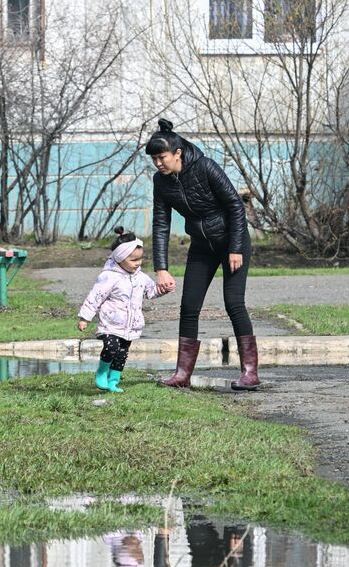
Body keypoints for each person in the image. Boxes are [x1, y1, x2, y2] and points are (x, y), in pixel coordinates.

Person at [145, 118, 260, 390]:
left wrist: (235, 248)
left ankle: (250, 373)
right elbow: (161, 223)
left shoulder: (206, 167)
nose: (158, 164)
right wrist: (161, 268)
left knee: (234, 303)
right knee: (189, 307)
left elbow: (235, 206)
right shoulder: (161, 182)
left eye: (162, 158)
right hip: (201, 246)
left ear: (178, 153)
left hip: (233, 241)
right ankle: (182, 375)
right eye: (154, 160)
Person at [76, 227, 170, 392]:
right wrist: (85, 318)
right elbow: (95, 297)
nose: (138, 263)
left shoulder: (141, 277)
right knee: (111, 347)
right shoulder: (109, 276)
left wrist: (163, 289)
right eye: (133, 260)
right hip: (110, 324)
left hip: (129, 326)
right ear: (119, 258)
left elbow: (150, 292)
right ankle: (101, 373)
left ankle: (114, 381)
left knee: (121, 354)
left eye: (140, 259)